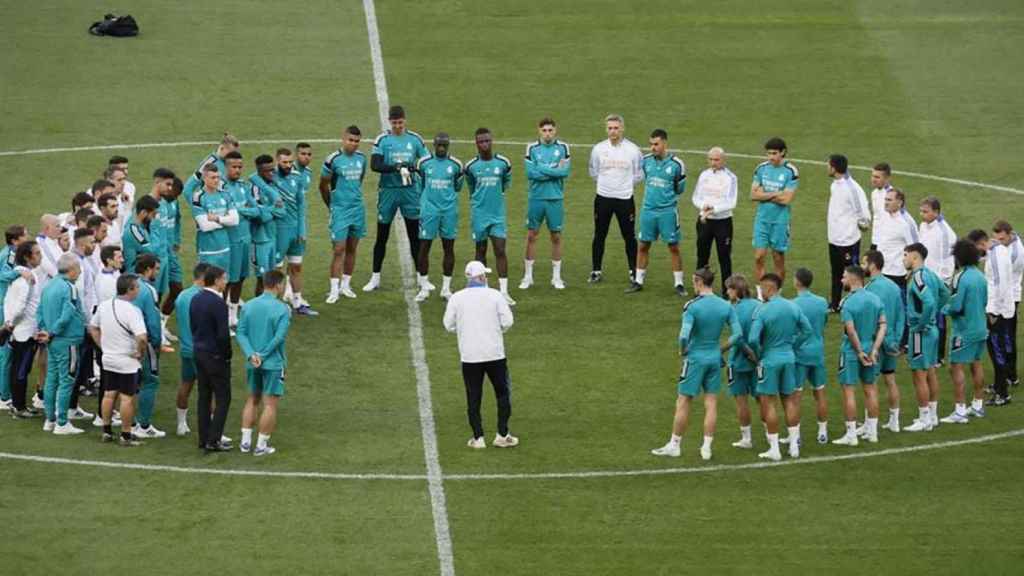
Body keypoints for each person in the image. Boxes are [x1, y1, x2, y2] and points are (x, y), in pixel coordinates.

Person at [651, 268, 740, 460]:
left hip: (695, 359)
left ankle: (674, 445)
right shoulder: (726, 306)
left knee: (683, 401)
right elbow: (738, 335)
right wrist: (721, 350)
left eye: (694, 281)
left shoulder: (692, 306)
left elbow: (683, 335)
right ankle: (706, 447)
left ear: (699, 282)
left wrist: (683, 350)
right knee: (711, 402)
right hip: (714, 358)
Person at [443, 261, 516, 449]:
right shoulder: (495, 295)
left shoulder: (457, 298)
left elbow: (448, 324)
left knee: (473, 396)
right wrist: (496, 330)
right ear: (482, 277)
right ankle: (502, 434)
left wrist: (463, 331)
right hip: (495, 353)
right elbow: (508, 321)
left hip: (470, 355)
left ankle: (478, 438)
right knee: (502, 393)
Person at [747, 273, 811, 460]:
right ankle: (794, 446)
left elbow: (752, 338)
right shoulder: (793, 306)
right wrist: (794, 346)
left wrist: (759, 354)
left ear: (769, 288)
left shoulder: (762, 311)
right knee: (790, 401)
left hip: (769, 360)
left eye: (762, 288)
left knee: (769, 403)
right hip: (789, 358)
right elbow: (807, 330)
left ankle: (774, 449)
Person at [365, 105, 428, 292]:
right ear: (389, 121)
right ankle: (375, 277)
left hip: (410, 193)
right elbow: (375, 164)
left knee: (414, 236)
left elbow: (425, 162)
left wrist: (410, 166)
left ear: (405, 121)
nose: (398, 126)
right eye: (395, 123)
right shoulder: (383, 139)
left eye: (400, 122)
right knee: (381, 236)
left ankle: (421, 277)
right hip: (388, 192)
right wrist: (396, 167)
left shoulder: (415, 139)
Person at [237, 270, 292, 456]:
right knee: (270, 404)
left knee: (252, 399)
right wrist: (264, 354)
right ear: (278, 285)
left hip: (252, 362)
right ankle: (261, 446)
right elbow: (279, 336)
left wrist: (251, 354)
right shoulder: (282, 309)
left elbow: (241, 333)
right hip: (273, 363)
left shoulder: (249, 305)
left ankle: (245, 443)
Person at [89, 273, 147, 446]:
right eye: (137, 286)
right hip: (126, 361)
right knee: (127, 398)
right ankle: (126, 435)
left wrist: (102, 346)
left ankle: (106, 431)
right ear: (130, 290)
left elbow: (93, 327)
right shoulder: (132, 310)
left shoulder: (105, 305)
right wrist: (139, 352)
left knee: (108, 395)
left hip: (108, 358)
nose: (139, 289)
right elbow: (142, 337)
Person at [628, 129, 687, 296]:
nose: (652, 147)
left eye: (656, 144)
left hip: (668, 212)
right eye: (651, 144)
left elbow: (680, 188)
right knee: (643, 245)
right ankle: (638, 281)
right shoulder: (645, 161)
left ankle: (679, 283)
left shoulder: (677, 165)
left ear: (664, 144)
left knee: (673, 247)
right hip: (648, 210)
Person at [832, 266, 887, 446]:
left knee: (849, 391)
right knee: (870, 389)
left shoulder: (848, 302)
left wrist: (859, 352)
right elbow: (883, 325)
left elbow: (850, 330)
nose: (842, 280)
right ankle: (872, 433)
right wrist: (875, 349)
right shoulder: (875, 299)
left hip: (851, 351)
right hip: (870, 347)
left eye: (844, 277)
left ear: (853, 279)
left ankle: (851, 435)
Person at [588, 114, 643, 284]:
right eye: (610, 128)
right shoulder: (598, 149)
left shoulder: (633, 150)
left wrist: (624, 185)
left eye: (616, 128)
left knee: (629, 236)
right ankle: (596, 270)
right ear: (606, 129)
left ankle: (634, 271)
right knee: (599, 235)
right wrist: (608, 185)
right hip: (603, 198)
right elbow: (593, 171)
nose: (613, 131)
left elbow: (639, 174)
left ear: (622, 129)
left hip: (625, 199)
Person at [36, 253, 86, 435]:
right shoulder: (69, 288)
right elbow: (67, 314)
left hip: (53, 341)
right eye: (79, 269)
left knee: (52, 379)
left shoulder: (48, 286)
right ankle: (62, 423)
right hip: (67, 341)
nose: (80, 273)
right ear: (71, 270)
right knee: (67, 381)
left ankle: (50, 420)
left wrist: (44, 330)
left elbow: (39, 311)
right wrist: (53, 331)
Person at [465, 128, 516, 305]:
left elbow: (505, 183)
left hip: (497, 215)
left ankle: (504, 292)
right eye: (481, 141)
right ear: (476, 144)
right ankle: (482, 291)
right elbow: (471, 188)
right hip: (479, 214)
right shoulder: (471, 166)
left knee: (500, 250)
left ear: (491, 141)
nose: (485, 144)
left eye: (487, 141)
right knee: (480, 251)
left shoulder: (503, 163)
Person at [940, 239, 988, 422]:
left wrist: (944, 309)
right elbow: (984, 302)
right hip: (980, 328)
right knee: (976, 363)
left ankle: (959, 410)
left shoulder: (960, 277)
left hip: (963, 330)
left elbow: (956, 306)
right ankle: (977, 405)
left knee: (956, 367)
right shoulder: (981, 276)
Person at [521, 118, 570, 291]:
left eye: (550, 130)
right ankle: (528, 277)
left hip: (555, 198)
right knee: (532, 235)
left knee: (556, 236)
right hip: (536, 198)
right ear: (539, 131)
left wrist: (541, 168)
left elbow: (565, 172)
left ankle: (556, 277)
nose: (547, 133)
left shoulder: (563, 148)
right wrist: (553, 171)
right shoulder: (532, 148)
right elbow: (530, 174)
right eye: (544, 130)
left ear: (555, 131)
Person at [903, 243, 948, 431]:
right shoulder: (930, 274)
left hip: (920, 332)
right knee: (930, 371)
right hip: (933, 331)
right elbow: (945, 293)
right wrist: (935, 314)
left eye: (905, 255)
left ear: (915, 257)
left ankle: (924, 419)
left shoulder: (919, 277)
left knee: (918, 375)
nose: (903, 259)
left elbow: (928, 302)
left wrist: (922, 324)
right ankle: (933, 415)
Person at [414, 132, 463, 303]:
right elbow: (419, 185)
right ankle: (424, 286)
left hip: (449, 211)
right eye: (439, 145)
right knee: (424, 247)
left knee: (448, 247)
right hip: (429, 211)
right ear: (434, 146)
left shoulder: (456, 165)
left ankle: (446, 288)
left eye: (444, 145)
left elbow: (457, 186)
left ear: (448, 146)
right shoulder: (423, 163)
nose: (441, 148)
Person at [320, 126, 367, 303]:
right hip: (340, 210)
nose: (353, 144)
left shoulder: (362, 159)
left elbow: (360, 179)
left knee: (352, 248)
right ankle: (333, 289)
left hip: (357, 209)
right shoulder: (333, 160)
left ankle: (346, 285)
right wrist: (331, 205)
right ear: (343, 139)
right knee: (338, 249)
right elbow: (323, 185)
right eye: (350, 140)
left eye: (356, 141)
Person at [968, 229, 1014, 406]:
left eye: (975, 248)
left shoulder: (995, 256)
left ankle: (1002, 394)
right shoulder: (998, 249)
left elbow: (999, 285)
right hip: (1003, 309)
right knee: (997, 350)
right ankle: (998, 386)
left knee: (997, 352)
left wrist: (993, 312)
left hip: (997, 312)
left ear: (981, 243)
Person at [190, 265, 233, 452]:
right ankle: (214, 439)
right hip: (215, 355)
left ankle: (203, 438)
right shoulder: (218, 303)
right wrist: (227, 355)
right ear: (215, 281)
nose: (225, 282)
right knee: (223, 398)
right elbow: (223, 335)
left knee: (204, 397)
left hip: (198, 352)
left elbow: (193, 326)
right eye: (223, 279)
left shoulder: (196, 298)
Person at [862, 250, 906, 432]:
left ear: (872, 265)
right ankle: (894, 421)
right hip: (892, 341)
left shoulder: (870, 289)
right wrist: (895, 340)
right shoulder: (894, 287)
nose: (862, 267)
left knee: (870, 384)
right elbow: (901, 315)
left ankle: (869, 425)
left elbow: (871, 318)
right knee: (890, 379)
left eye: (864, 263)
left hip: (876, 342)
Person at [751, 138, 798, 296]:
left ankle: (776, 293)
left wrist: (763, 194)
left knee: (778, 257)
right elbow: (752, 194)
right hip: (762, 219)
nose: (771, 157)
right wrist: (776, 193)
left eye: (774, 153)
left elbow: (787, 200)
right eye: (769, 153)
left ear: (783, 152)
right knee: (759, 257)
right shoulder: (761, 168)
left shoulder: (790, 171)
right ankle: (761, 294)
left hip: (780, 221)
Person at [271, 147, 314, 315]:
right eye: (284, 162)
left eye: (290, 162)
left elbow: (301, 204)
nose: (288, 165)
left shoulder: (297, 177)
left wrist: (302, 229)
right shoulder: (270, 177)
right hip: (278, 230)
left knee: (296, 267)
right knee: (277, 270)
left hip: (295, 230)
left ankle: (297, 303)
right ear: (277, 161)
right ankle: (275, 305)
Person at [826, 154, 871, 311]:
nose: (827, 168)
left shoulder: (852, 188)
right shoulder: (835, 184)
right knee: (836, 272)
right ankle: (835, 304)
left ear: (834, 167)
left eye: (828, 165)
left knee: (853, 273)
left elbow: (864, 216)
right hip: (834, 238)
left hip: (848, 240)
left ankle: (860, 303)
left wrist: (856, 228)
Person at [4, 240, 43, 418]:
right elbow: (19, 306)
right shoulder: (26, 280)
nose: (40, 256)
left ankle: (18, 404)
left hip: (22, 330)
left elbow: (10, 302)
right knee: (20, 370)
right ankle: (18, 407)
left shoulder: (26, 274)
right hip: (25, 332)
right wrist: (11, 324)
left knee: (20, 369)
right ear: (27, 257)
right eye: (37, 253)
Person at [791, 268, 830, 444]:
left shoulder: (793, 304)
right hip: (817, 352)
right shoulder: (822, 302)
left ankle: (796, 436)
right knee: (820, 392)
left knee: (796, 396)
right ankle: (822, 432)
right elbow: (824, 323)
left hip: (800, 355)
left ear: (798, 282)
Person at [691, 147, 737, 293]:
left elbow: (731, 202)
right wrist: (703, 206)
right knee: (702, 256)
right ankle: (700, 289)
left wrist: (713, 209)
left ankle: (727, 292)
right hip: (704, 222)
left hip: (723, 222)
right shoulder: (704, 175)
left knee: (724, 258)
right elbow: (695, 197)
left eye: (716, 160)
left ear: (723, 160)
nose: (713, 163)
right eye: (710, 159)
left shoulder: (731, 177)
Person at [222, 151, 260, 326]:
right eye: (234, 167)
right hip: (228, 241)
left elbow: (256, 210)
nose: (237, 170)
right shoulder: (221, 188)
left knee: (241, 277)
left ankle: (232, 313)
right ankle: (221, 314)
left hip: (245, 239)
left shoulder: (244, 186)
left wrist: (240, 212)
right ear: (225, 167)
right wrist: (242, 212)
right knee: (227, 280)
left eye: (240, 167)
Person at [918, 196, 956, 365]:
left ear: (936, 212)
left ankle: (938, 356)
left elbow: (948, 262)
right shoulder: (923, 226)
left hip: (938, 283)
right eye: (921, 211)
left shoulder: (944, 232)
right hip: (924, 278)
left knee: (938, 319)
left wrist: (941, 285)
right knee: (923, 315)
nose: (922, 215)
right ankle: (925, 349)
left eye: (926, 211)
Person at [131, 254, 165, 438]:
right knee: (150, 380)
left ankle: (128, 421)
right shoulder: (147, 290)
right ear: (148, 269)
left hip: (124, 340)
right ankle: (143, 426)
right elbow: (153, 321)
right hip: (144, 341)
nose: (157, 273)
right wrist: (157, 342)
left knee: (128, 382)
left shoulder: (126, 284)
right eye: (156, 269)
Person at [724, 275, 760, 449]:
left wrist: (748, 352)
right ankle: (771, 436)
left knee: (741, 401)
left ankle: (746, 439)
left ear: (736, 290)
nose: (726, 292)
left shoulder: (733, 310)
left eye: (729, 289)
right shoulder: (759, 305)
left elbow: (737, 338)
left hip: (738, 362)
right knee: (763, 400)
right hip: (758, 362)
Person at [173, 263, 209, 437]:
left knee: (186, 385)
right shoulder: (204, 298)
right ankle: (211, 428)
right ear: (204, 277)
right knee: (211, 390)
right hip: (202, 351)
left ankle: (181, 424)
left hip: (186, 349)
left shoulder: (181, 296)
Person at [192, 164, 239, 283]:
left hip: (224, 248)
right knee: (207, 284)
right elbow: (205, 226)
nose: (216, 180)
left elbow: (235, 220)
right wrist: (225, 220)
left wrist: (217, 219)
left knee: (223, 282)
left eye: (218, 177)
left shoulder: (225, 194)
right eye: (213, 177)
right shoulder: (198, 197)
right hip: (208, 250)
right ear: (204, 178)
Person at [1, 225, 31, 410]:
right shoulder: (11, 255)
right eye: (25, 235)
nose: (28, 236)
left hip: (5, 302)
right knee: (6, 352)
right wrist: (18, 272)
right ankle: (4, 396)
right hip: (3, 304)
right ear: (15, 240)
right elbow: (2, 275)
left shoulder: (11, 252)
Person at [248, 154, 286, 295]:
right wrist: (272, 209)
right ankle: (259, 310)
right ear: (259, 171)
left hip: (271, 238)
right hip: (259, 241)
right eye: (268, 170)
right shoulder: (253, 189)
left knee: (272, 278)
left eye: (273, 169)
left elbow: (283, 212)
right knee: (262, 279)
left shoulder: (272, 185)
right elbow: (259, 217)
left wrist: (267, 211)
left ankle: (270, 307)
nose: (272, 173)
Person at [991, 221, 1023, 389]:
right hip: (1005, 295)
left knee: (1007, 337)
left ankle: (1011, 376)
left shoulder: (1016, 252)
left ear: (1009, 234)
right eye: (997, 239)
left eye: (1002, 239)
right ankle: (1007, 375)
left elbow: (1003, 278)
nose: (999, 242)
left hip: (1009, 298)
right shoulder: (1006, 244)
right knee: (1004, 337)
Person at [874, 188, 918, 289]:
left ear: (899, 203)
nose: (886, 203)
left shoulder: (906, 223)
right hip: (881, 269)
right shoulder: (885, 216)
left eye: (889, 200)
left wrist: (911, 269)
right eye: (885, 199)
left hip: (896, 273)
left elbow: (915, 248)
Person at [121, 195, 160, 275]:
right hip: (133, 277)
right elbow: (153, 251)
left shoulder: (141, 227)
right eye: (153, 215)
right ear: (143, 213)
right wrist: (155, 228)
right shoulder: (134, 231)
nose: (154, 218)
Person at [869, 163, 894, 251]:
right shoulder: (874, 193)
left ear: (887, 178)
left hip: (886, 243)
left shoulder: (892, 197)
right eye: (873, 176)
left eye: (877, 177)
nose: (873, 180)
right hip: (875, 240)